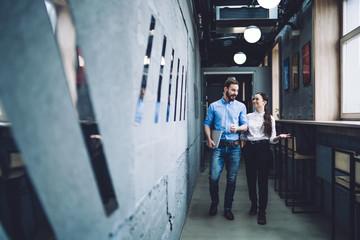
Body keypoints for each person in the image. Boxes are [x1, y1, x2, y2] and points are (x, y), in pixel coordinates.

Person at [242, 92, 290, 225]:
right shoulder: (247, 116)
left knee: (262, 182)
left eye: (257, 99)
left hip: (263, 150)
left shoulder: (270, 118)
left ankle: (262, 211)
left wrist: (279, 137)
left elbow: (271, 139)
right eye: (253, 99)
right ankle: (253, 204)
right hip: (250, 149)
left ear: (264, 102)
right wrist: (242, 144)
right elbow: (244, 134)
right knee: (251, 180)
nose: (254, 101)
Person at [204, 77, 248, 220]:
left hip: (234, 148)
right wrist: (209, 139)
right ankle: (214, 202)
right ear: (225, 89)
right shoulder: (214, 106)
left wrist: (238, 128)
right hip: (218, 147)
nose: (236, 93)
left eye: (237, 90)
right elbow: (207, 124)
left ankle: (228, 207)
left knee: (232, 179)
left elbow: (245, 126)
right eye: (233, 90)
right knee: (213, 177)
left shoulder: (241, 106)